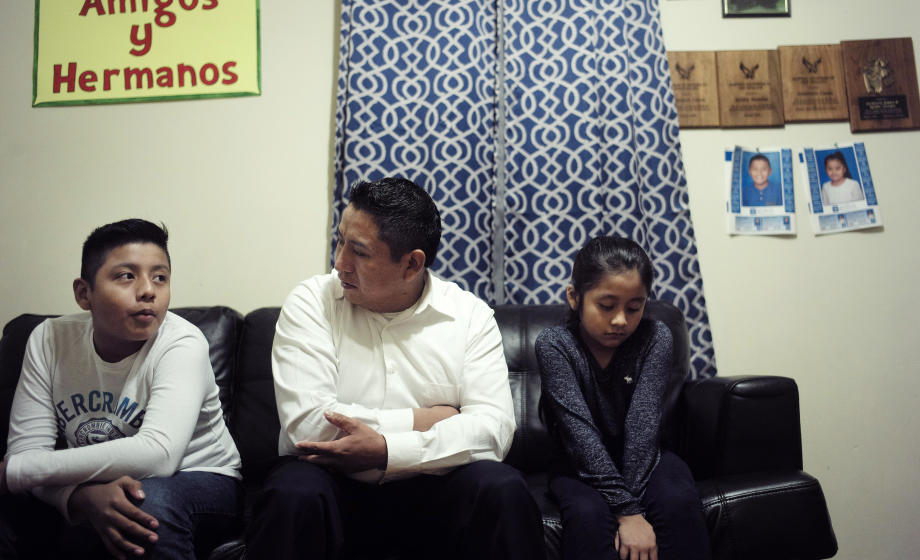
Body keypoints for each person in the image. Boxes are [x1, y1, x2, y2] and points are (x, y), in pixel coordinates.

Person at [247, 177, 546, 560]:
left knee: (500, 486)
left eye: (358, 251)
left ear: (411, 264)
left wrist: (388, 450)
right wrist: (426, 420)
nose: (339, 263)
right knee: (292, 493)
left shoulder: (469, 316)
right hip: (332, 487)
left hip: (435, 487)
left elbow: (493, 431)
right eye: (339, 241)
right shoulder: (312, 301)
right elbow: (309, 426)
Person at [0, 219, 242, 559]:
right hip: (95, 479)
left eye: (160, 277)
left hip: (202, 476)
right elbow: (28, 451)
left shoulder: (182, 342)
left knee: (145, 506)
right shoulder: (49, 339)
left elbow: (158, 454)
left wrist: (15, 471)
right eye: (127, 276)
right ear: (84, 293)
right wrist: (79, 497)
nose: (148, 290)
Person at [536, 236, 710, 560]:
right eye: (606, 306)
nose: (620, 320)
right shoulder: (554, 344)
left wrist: (633, 507)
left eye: (634, 308)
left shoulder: (654, 337)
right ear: (574, 297)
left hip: (648, 458)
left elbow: (642, 427)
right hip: (577, 465)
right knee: (587, 515)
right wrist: (627, 511)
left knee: (676, 501)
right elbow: (580, 436)